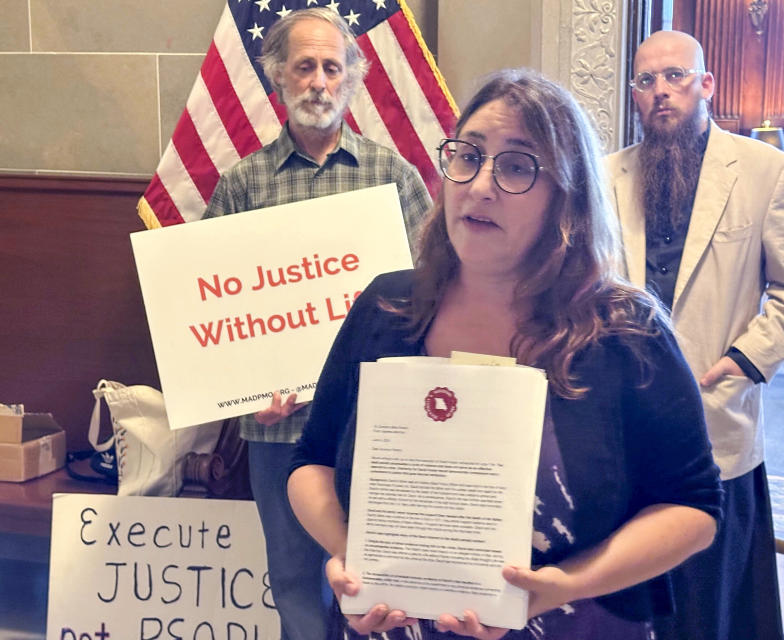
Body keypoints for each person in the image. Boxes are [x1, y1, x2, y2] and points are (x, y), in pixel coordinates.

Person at [286, 68, 723, 640]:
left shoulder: (625, 332)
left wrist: (566, 583)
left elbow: (693, 507)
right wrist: (359, 558)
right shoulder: (386, 307)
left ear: (566, 196)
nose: (480, 184)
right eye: (468, 156)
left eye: (517, 166)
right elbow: (310, 462)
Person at [202, 8, 431, 640]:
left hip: (374, 428)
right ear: (278, 77)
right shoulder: (242, 185)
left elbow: (435, 297)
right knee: (295, 584)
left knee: (380, 584)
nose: (319, 82)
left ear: (352, 79)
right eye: (304, 67)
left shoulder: (395, 176)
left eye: (333, 67)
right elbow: (209, 307)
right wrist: (245, 389)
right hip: (278, 433)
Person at [606, 30, 784, 640]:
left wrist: (742, 360)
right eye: (647, 81)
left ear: (706, 84)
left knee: (710, 610)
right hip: (624, 427)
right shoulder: (605, 175)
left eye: (675, 76)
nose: (661, 92)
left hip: (717, 417)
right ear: (635, 96)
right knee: (632, 606)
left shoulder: (766, 171)